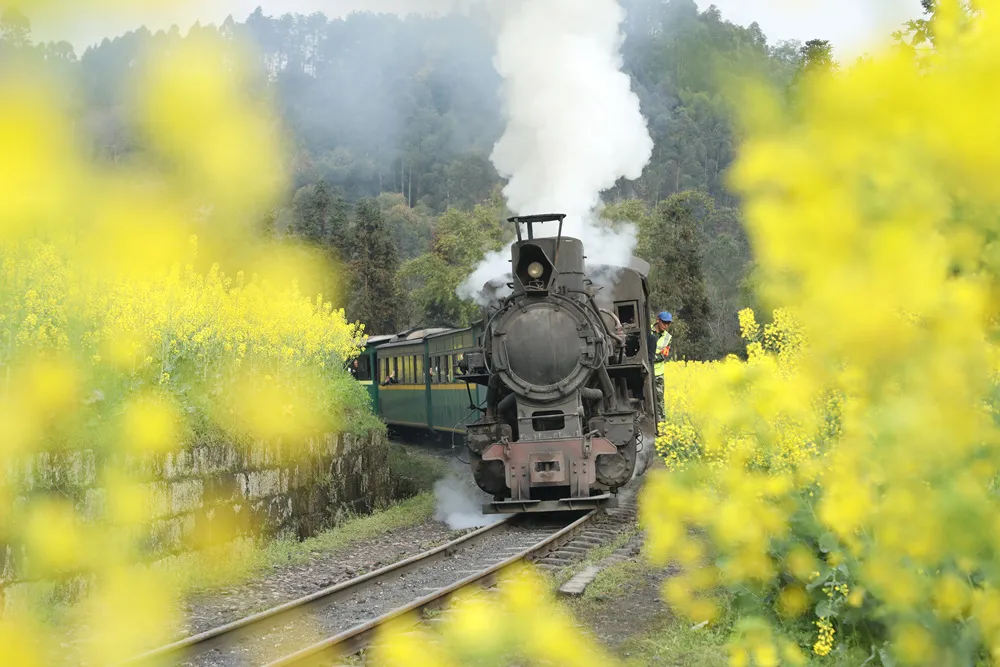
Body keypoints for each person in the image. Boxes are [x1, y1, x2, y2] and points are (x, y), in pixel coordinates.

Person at [651, 311, 672, 415]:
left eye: (668, 323)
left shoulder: (667, 337)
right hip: (645, 371)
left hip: (658, 374)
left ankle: (661, 427)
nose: (666, 325)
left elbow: (663, 356)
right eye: (664, 322)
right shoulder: (646, 330)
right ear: (658, 320)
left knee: (659, 403)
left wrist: (649, 357)